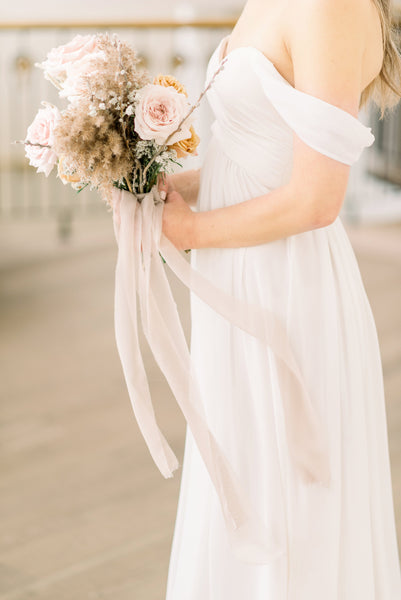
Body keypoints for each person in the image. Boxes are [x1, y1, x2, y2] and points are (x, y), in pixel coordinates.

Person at [158, 0, 401, 597]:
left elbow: (315, 200)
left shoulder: (332, 8)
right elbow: (256, 155)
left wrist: (189, 232)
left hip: (284, 288)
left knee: (282, 489)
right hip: (237, 277)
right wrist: (165, 187)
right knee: (242, 467)